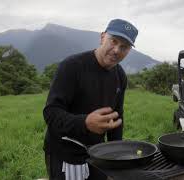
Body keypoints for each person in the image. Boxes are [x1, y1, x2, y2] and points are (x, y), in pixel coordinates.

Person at [43, 19, 138, 180]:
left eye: (124, 47)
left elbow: (116, 116)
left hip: (98, 153)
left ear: (129, 50)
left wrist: (117, 152)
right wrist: (85, 123)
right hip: (65, 153)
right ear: (102, 37)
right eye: (113, 41)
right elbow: (51, 112)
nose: (117, 50)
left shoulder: (120, 76)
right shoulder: (72, 66)